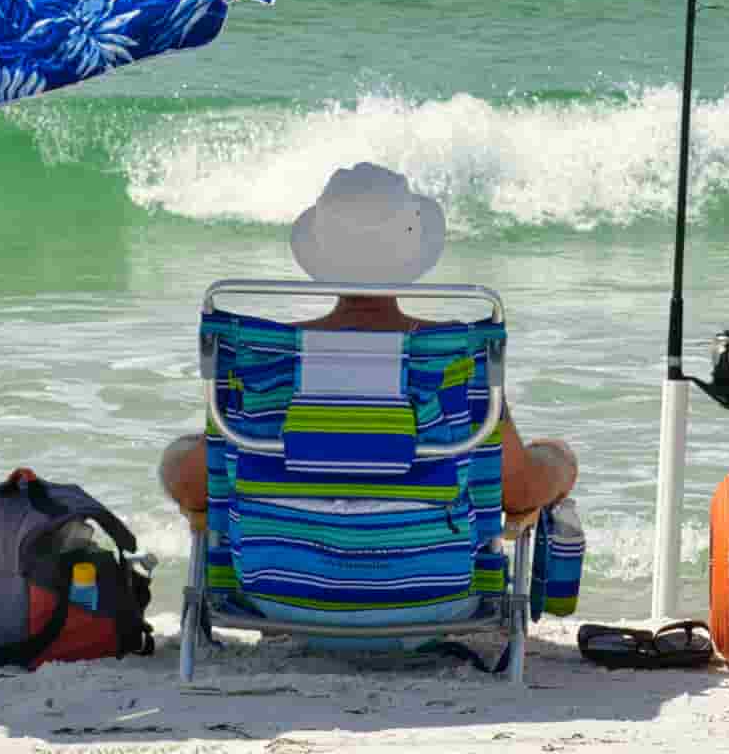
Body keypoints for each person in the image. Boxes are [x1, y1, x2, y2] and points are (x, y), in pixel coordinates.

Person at [159, 162, 578, 519]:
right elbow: (518, 490)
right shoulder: (454, 356)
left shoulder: (265, 359)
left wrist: (176, 456)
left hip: (276, 594)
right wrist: (560, 462)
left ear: (321, 254)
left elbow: (195, 486)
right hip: (434, 597)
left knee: (185, 452)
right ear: (413, 252)